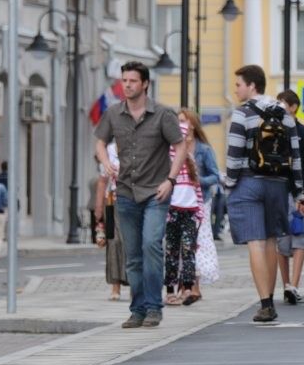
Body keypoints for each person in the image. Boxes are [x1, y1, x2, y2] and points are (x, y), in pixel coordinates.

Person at [94, 61, 187, 329]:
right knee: (133, 255)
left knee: (151, 246)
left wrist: (171, 179)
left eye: (132, 81)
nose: (127, 85)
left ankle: (154, 308)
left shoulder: (162, 114)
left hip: (156, 192)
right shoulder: (113, 113)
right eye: (124, 81)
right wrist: (106, 162)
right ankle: (137, 309)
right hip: (125, 192)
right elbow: (100, 141)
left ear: (145, 83)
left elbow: (180, 146)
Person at [223, 64, 304, 323]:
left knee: (256, 242)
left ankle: (266, 304)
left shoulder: (242, 114)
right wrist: (299, 191)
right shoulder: (285, 115)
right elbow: (295, 157)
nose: (236, 90)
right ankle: (272, 296)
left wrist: (229, 184)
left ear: (251, 86)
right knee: (271, 241)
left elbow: (234, 156)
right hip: (278, 184)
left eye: (238, 85)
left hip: (249, 181)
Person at [181, 109, 221, 304]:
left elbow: (215, 176)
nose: (181, 125)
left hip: (200, 202)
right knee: (180, 243)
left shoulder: (203, 149)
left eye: (184, 121)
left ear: (193, 124)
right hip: (178, 202)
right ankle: (184, 285)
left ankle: (195, 287)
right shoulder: (174, 147)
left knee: (197, 242)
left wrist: (199, 181)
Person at [163, 119, 203, 307]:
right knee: (171, 252)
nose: (186, 140)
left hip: (190, 212)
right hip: (172, 212)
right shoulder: (167, 161)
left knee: (188, 251)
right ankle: (170, 289)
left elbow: (197, 188)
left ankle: (187, 287)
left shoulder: (190, 160)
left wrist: (200, 212)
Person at [93, 144, 127, 301]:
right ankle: (115, 286)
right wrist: (99, 207)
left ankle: (135, 284)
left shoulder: (140, 145)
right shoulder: (110, 150)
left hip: (134, 201)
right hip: (112, 201)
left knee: (131, 243)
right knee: (113, 242)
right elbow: (102, 181)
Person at [277, 90, 304, 199]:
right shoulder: (274, 130)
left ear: (293, 107)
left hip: (298, 193)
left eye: (281, 104)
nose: (278, 108)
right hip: (277, 189)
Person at [278, 196, 304, 305]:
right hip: (299, 194)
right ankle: (292, 287)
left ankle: (288, 286)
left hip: (282, 192)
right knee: (298, 238)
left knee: (282, 240)